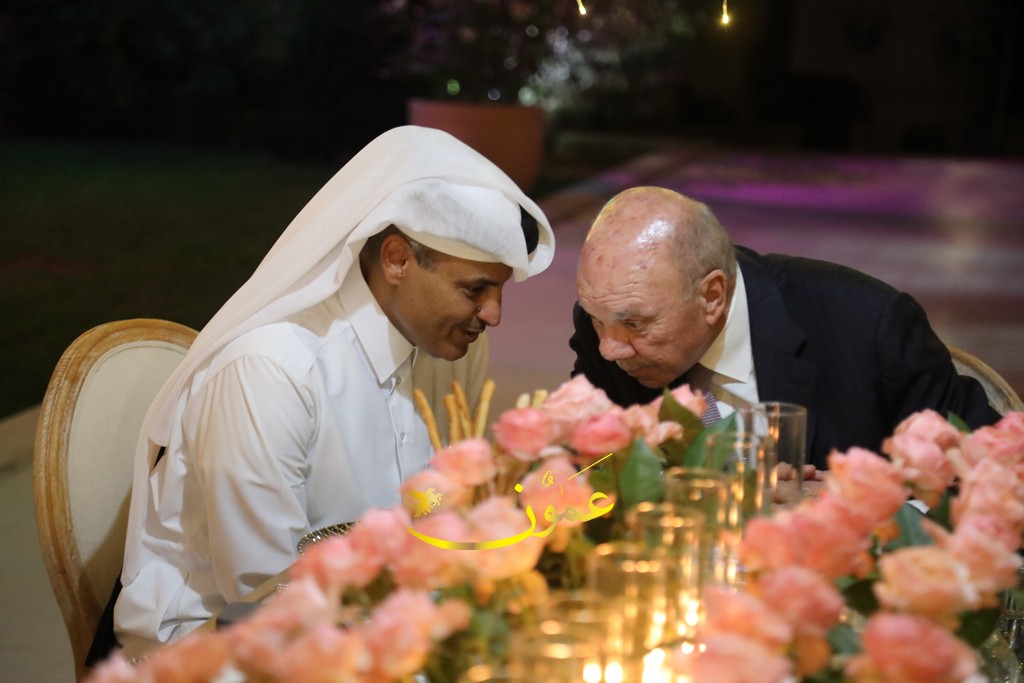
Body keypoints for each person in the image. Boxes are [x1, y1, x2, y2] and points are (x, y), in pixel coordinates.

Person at [110, 126, 555, 657]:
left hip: (380, 620)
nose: (494, 315)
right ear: (397, 259)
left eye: (499, 289)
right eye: (474, 290)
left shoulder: (454, 349)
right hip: (217, 644)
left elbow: (447, 510)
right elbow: (267, 588)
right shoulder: (271, 371)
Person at [571, 186, 999, 470]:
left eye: (634, 323)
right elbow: (574, 478)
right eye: (596, 318)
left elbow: (987, 475)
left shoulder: (868, 325)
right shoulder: (606, 330)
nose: (610, 348)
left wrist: (845, 510)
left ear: (712, 297)